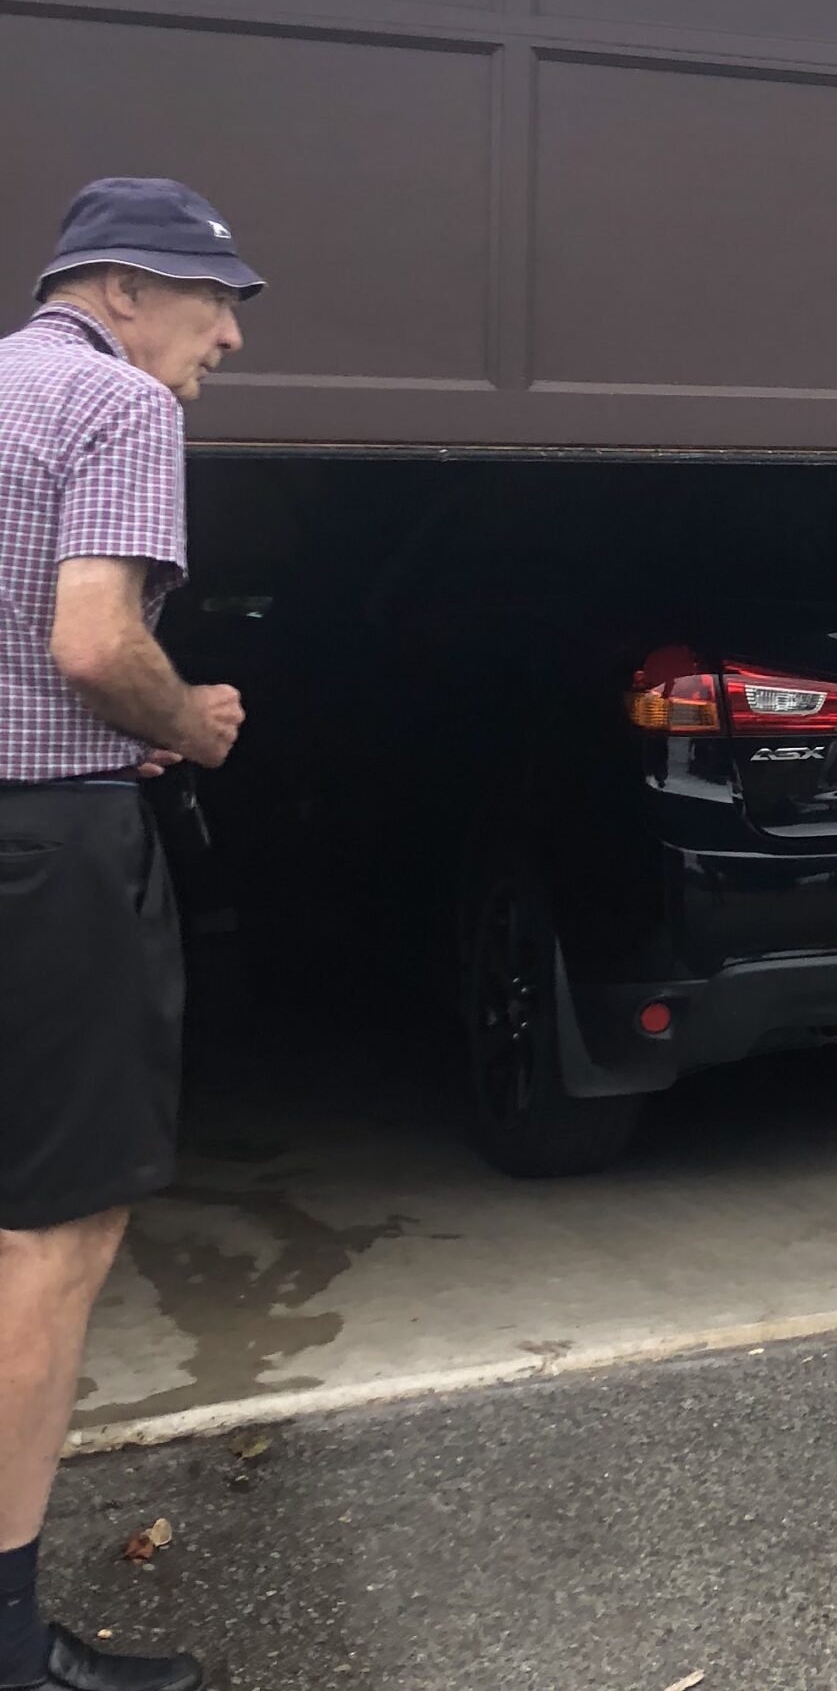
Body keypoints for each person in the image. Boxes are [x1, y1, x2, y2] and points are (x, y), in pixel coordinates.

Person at [0, 180, 263, 1691]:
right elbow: (96, 640)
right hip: (45, 852)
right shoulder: (116, 406)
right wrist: (190, 718)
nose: (226, 335)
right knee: (52, 1232)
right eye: (208, 299)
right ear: (117, 290)